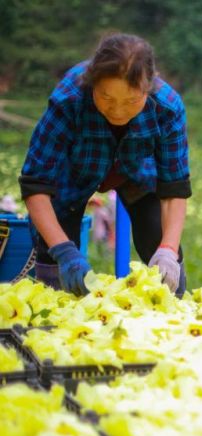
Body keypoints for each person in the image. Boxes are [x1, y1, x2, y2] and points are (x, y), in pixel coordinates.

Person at [19, 33, 190, 296]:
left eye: (132, 100)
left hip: (136, 173)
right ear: (92, 83)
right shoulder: (69, 99)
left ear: (149, 87)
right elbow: (35, 184)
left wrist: (167, 250)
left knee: (162, 248)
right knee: (57, 268)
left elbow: (174, 190)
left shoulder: (167, 107)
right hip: (75, 174)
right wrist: (62, 249)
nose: (118, 111)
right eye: (106, 98)